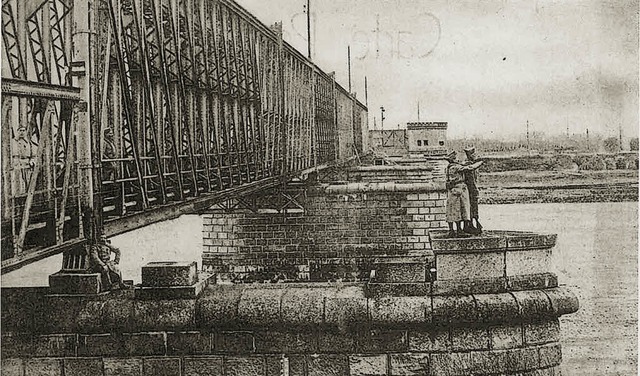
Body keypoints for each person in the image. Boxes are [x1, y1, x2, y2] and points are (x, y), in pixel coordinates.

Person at [445, 151, 484, 238]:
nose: (459, 159)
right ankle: (459, 231)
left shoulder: (449, 167)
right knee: (459, 210)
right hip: (459, 190)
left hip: (453, 190)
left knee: (453, 211)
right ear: (454, 159)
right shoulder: (455, 167)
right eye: (457, 158)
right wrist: (479, 163)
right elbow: (469, 168)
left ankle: (453, 231)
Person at [463, 147, 483, 234]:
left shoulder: (470, 164)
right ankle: (470, 225)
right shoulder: (469, 166)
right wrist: (475, 191)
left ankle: (472, 225)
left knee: (472, 208)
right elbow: (471, 181)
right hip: (471, 191)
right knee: (472, 208)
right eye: (473, 154)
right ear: (470, 155)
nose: (475, 156)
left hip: (470, 190)